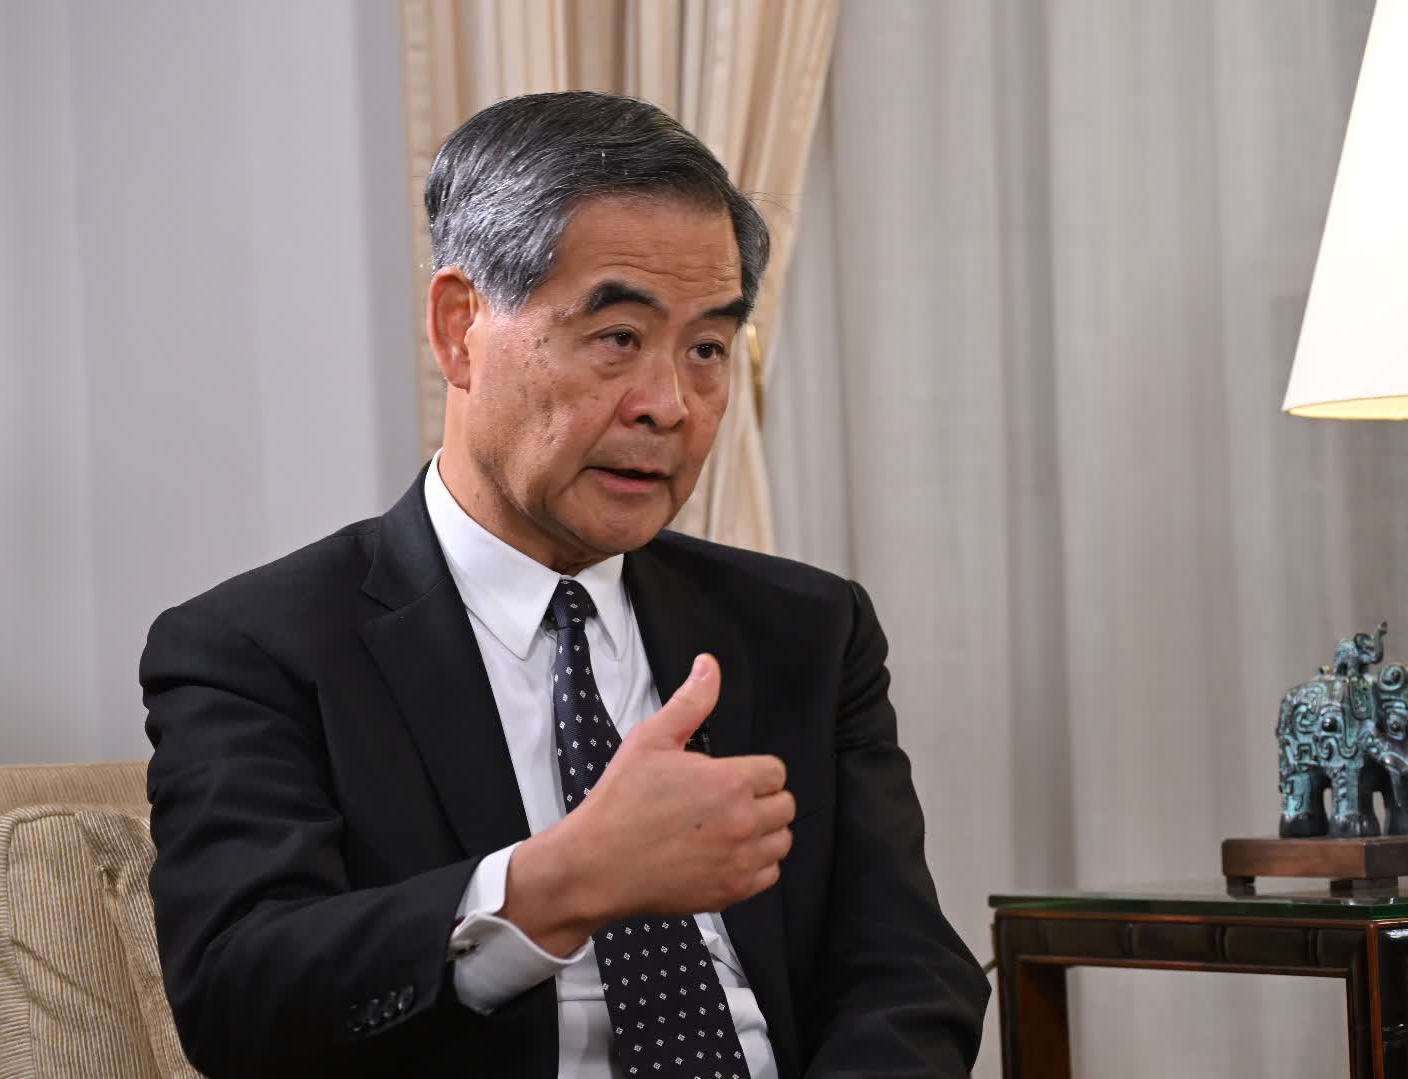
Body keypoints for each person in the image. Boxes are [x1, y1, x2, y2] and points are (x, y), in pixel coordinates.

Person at [141, 91, 988, 1079]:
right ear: (459, 327)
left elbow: (910, 973)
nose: (669, 405)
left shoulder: (807, 629)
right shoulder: (259, 648)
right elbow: (239, 997)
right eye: (618, 337)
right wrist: (562, 880)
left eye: (707, 349)